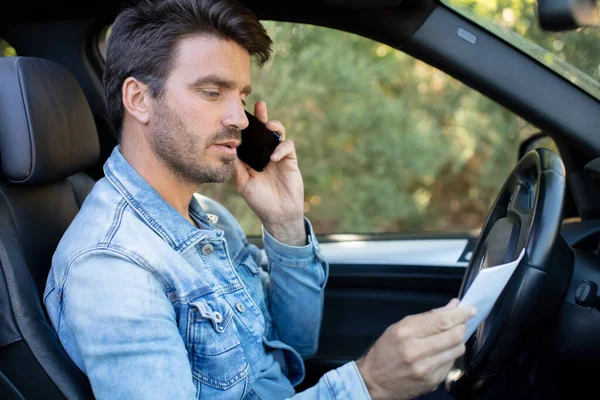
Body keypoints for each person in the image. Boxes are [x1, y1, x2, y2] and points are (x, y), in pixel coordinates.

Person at [43, 0, 476, 399]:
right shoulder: (112, 267)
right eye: (213, 93)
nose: (237, 118)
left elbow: (294, 348)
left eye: (242, 96)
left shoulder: (211, 219)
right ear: (139, 99)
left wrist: (284, 224)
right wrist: (371, 383)